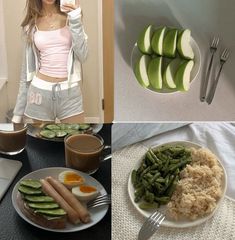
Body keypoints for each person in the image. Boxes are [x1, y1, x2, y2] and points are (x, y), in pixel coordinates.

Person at [12, 0, 88, 123]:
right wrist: (17, 113)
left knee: (74, 140)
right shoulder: (30, 26)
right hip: (39, 94)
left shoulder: (71, 17)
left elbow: (83, 55)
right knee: (42, 141)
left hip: (70, 93)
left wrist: (75, 18)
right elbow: (25, 72)